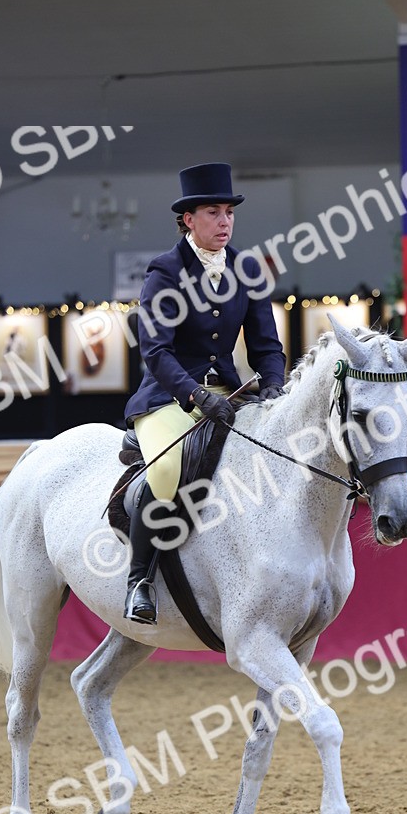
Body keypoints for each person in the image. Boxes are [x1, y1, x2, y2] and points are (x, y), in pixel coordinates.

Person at [122, 162, 287, 623]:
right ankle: (139, 580)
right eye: (213, 213)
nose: (224, 222)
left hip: (232, 394)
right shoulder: (164, 272)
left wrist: (273, 384)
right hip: (169, 396)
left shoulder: (246, 269)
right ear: (188, 220)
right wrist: (196, 394)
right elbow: (156, 352)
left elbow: (266, 345)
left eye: (229, 213)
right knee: (168, 471)